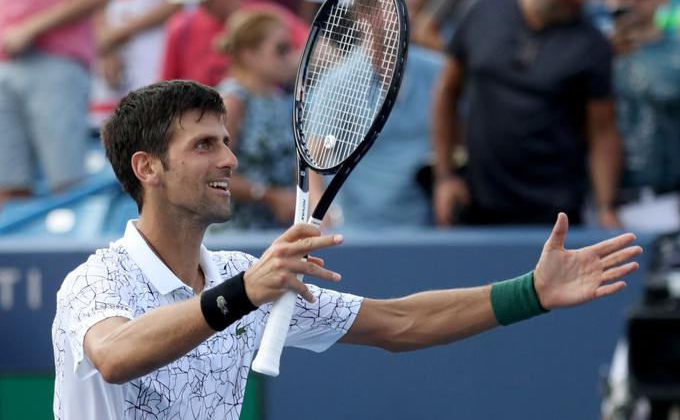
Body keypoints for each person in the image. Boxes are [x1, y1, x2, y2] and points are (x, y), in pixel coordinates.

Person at [52, 80, 642, 419]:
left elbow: (400, 321)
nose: (230, 160)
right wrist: (244, 294)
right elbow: (116, 355)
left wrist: (530, 293)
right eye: (205, 145)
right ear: (147, 167)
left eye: (227, 143)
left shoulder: (245, 275)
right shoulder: (97, 280)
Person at [432, 0, 623, 227]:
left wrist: (605, 207)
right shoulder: (484, 11)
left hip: (555, 212)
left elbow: (603, 130)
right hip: (478, 202)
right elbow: (446, 92)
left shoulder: (593, 45)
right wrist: (445, 177)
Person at [0, 0, 117, 203]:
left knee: (67, 187)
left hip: (57, 62)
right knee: (8, 189)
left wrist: (32, 27)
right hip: (8, 63)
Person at [605, 0, 680, 232]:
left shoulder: (676, 56)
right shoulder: (589, 51)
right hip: (598, 206)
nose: (630, 0)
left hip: (665, 203)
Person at [216, 10, 298, 229]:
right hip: (237, 232)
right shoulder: (232, 102)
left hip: (278, 229)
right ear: (248, 54)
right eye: (281, 49)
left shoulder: (282, 100)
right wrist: (268, 196)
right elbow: (212, 171)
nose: (290, 57)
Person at [161, 0, 308, 87]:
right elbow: (165, 91)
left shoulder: (267, 17)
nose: (202, 2)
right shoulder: (180, 29)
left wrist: (281, 64)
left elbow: (319, 51)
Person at [89, 0, 179, 126]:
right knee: (104, 126)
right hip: (107, 51)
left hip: (152, 50)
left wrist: (119, 34)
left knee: (147, 123)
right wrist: (107, 50)